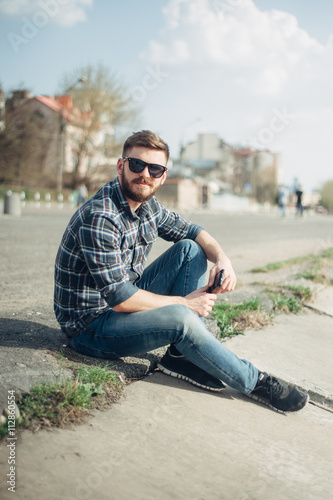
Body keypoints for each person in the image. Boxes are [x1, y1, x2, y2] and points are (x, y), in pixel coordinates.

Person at [54, 130, 309, 413]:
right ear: (120, 166)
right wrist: (186, 303)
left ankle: (178, 357)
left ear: (163, 176)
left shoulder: (148, 206)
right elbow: (121, 298)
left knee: (190, 248)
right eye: (136, 165)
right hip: (91, 327)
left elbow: (193, 231)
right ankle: (255, 382)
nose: (144, 174)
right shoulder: (101, 217)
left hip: (120, 305)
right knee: (181, 319)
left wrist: (223, 259)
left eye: (155, 169)